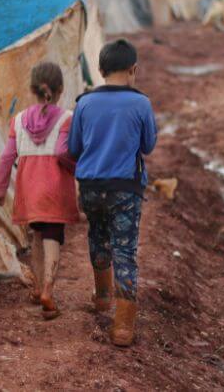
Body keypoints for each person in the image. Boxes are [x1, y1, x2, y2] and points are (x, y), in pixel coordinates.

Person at [68, 39, 157, 347]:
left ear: (100, 69)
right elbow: (148, 145)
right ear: (133, 69)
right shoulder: (141, 104)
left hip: (91, 187)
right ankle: (123, 326)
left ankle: (103, 296)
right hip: (125, 189)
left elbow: (73, 148)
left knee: (97, 236)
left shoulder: (84, 103)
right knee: (125, 250)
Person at [0, 62, 79, 321]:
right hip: (54, 190)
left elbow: (7, 157)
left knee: (37, 237)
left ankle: (39, 287)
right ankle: (48, 290)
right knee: (53, 237)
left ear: (32, 89)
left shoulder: (18, 121)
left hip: (29, 190)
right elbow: (63, 152)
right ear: (60, 89)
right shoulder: (67, 118)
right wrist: (76, 167)